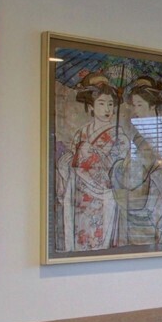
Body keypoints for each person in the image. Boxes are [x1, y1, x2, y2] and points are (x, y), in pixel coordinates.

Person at [113, 76, 162, 245]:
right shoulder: (135, 131)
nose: (135, 110)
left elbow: (160, 163)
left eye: (139, 105)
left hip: (155, 197)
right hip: (135, 195)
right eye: (133, 105)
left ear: (152, 105)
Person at [56, 74, 122, 251]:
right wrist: (67, 163)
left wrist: (91, 155)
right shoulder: (81, 132)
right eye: (101, 103)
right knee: (78, 238)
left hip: (102, 196)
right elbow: (71, 161)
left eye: (110, 104)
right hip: (79, 195)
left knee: (98, 241)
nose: (107, 108)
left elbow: (118, 170)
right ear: (91, 106)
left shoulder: (119, 136)